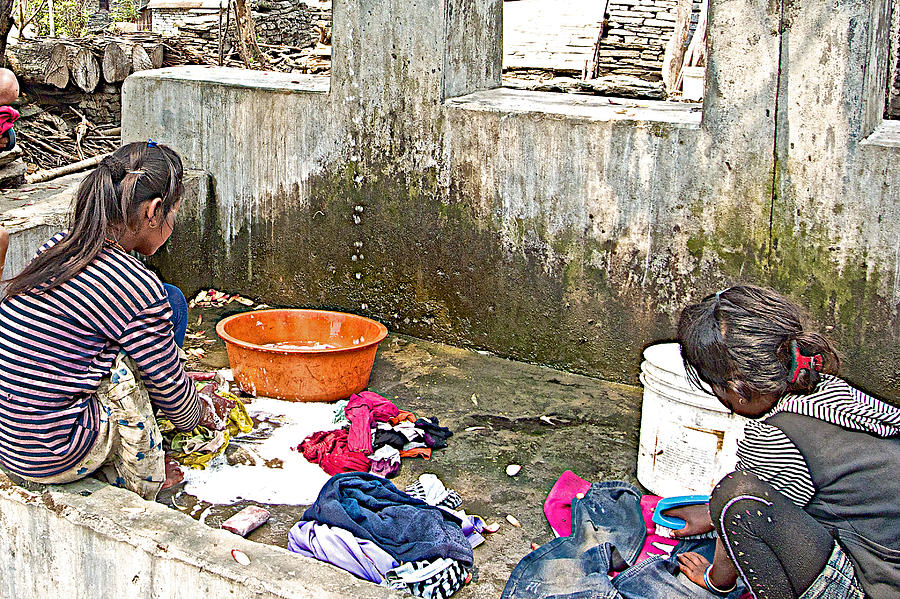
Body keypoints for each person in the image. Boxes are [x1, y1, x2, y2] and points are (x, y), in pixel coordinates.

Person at [0, 141, 226, 500]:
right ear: (154, 211)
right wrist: (202, 408)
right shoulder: (135, 285)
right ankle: (134, 468)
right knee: (131, 369)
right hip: (52, 451)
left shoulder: (59, 247)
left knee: (173, 305)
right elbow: (175, 400)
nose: (173, 224)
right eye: (175, 212)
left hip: (8, 438)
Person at [670, 285, 899, 599]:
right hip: (887, 552)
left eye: (715, 387)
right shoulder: (831, 389)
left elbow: (748, 508)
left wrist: (717, 578)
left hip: (878, 584)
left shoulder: (771, 435)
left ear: (737, 390)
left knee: (734, 495)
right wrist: (712, 516)